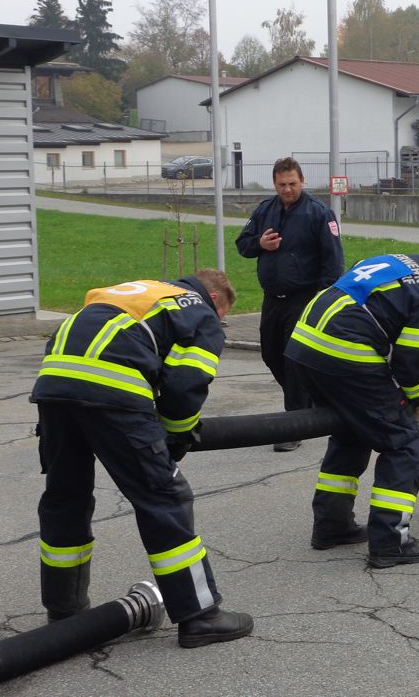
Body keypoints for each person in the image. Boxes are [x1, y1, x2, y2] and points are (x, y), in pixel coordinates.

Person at [30, 269, 253, 648]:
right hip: (113, 390)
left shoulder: (140, 292)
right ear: (216, 299)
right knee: (163, 496)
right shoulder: (198, 309)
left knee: (66, 496)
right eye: (224, 316)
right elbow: (187, 384)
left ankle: (64, 611)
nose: (221, 324)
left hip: (54, 386)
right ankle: (200, 616)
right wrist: (175, 437)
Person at [284, 244, 419, 568]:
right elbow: (411, 362)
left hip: (304, 347)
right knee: (404, 442)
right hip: (347, 354)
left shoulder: (397, 261)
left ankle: (332, 526)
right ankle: (390, 542)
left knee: (350, 433)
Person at [236, 157, 344, 452]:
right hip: (272, 299)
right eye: (282, 184)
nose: (287, 189)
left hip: (304, 298)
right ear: (274, 183)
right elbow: (242, 244)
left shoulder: (319, 214)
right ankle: (307, 402)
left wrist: (323, 302)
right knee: (271, 354)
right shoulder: (265, 209)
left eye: (292, 184)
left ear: (303, 181)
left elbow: (333, 263)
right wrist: (261, 243)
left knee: (293, 361)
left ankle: (294, 425)